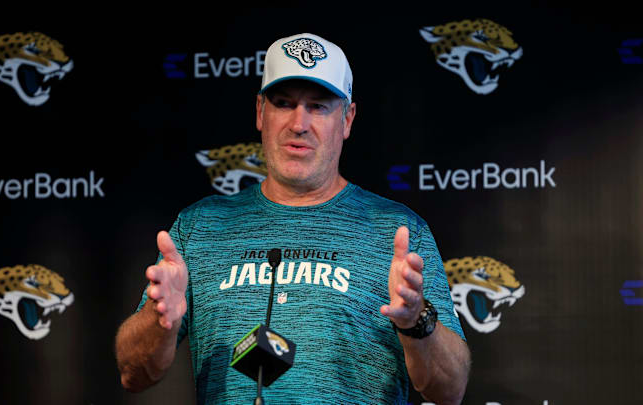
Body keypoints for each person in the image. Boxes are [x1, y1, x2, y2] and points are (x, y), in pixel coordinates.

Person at [115, 33, 471, 404]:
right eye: (283, 103)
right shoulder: (200, 226)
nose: (298, 124)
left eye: (318, 107)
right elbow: (133, 373)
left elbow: (450, 389)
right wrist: (159, 321)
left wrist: (417, 320)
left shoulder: (397, 230)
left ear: (347, 120)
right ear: (259, 112)